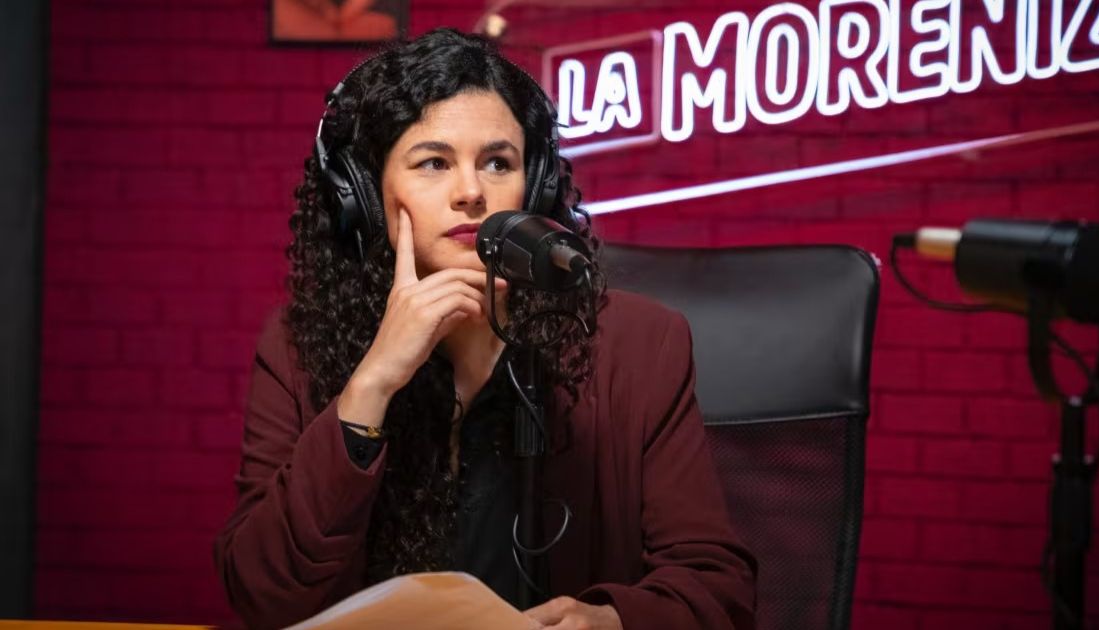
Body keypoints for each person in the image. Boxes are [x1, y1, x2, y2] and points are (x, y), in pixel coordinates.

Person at [213, 27, 756, 630]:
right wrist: (371, 386)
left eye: (499, 162)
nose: (472, 192)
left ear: (534, 185)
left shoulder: (640, 346)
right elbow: (262, 595)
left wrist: (613, 620)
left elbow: (718, 587)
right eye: (434, 163)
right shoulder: (298, 346)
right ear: (363, 196)